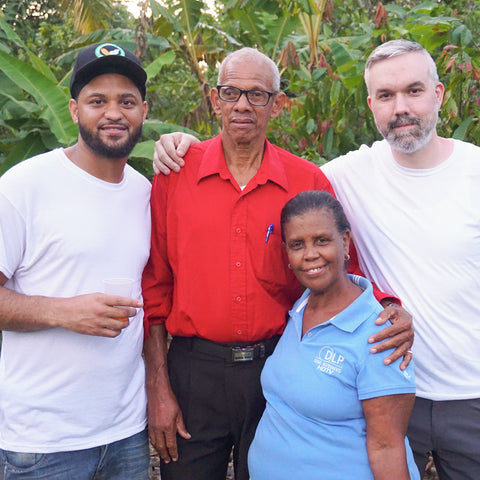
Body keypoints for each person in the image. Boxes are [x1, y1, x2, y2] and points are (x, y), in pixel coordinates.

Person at [153, 39, 480, 480]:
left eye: (258, 94)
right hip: (195, 370)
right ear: (215, 99)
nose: (243, 104)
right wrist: (157, 385)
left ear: (278, 104)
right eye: (231, 92)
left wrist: (387, 304)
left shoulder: (309, 179)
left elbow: (344, 265)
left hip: (277, 370)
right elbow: (155, 285)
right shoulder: (177, 174)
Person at [0, 42, 151, 479]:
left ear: (143, 109)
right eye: (97, 101)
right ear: (72, 110)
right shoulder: (25, 186)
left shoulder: (144, 192)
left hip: (126, 432)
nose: (113, 113)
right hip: (43, 441)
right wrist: (63, 311)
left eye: (126, 101)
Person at [248, 190, 419, 480]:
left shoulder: (381, 333)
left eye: (322, 240)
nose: (310, 254)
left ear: (345, 242)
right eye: (297, 244)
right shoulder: (300, 308)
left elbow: (387, 447)